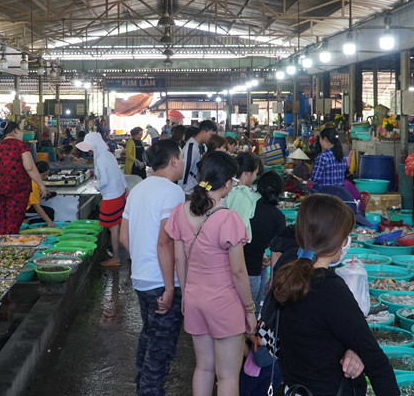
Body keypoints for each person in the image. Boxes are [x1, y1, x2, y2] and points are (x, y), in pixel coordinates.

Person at [270, 194, 398, 396]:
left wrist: (353, 350)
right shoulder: (331, 290)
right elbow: (376, 362)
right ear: (338, 239)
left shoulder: (287, 275)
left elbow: (317, 335)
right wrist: (360, 351)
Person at [165, 151, 253, 396]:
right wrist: (249, 309)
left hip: (194, 299)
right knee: (227, 377)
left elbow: (179, 260)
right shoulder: (229, 219)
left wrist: (186, 295)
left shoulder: (181, 211)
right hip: (224, 303)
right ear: (226, 183)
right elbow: (237, 272)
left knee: (203, 369)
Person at [119, 139, 187, 396]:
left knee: (149, 337)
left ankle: (141, 387)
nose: (182, 162)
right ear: (172, 161)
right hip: (161, 281)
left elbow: (124, 238)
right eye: (180, 157)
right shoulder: (173, 192)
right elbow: (165, 241)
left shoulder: (138, 189)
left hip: (141, 279)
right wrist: (170, 287)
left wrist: (142, 264)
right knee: (161, 351)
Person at [77, 132, 128, 267]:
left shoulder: (100, 159)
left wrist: (96, 185)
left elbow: (104, 181)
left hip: (111, 197)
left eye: (90, 146)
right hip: (119, 193)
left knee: (113, 228)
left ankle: (116, 258)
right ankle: (130, 254)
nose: (89, 149)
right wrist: (126, 189)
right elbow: (119, 173)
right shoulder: (108, 155)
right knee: (119, 227)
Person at [0, 121, 50, 234]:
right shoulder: (21, 146)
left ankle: (0, 245)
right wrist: (41, 185)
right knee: (14, 222)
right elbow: (30, 168)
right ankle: (9, 247)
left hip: (0, 189)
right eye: (21, 131)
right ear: (16, 130)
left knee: (4, 220)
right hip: (17, 189)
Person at [244, 171, 286, 307]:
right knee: (252, 312)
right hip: (252, 272)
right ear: (279, 192)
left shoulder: (247, 206)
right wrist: (272, 281)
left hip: (233, 268)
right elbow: (277, 252)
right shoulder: (277, 216)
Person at [225, 153, 261, 243]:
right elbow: (239, 232)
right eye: (255, 173)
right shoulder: (242, 195)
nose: (255, 177)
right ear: (247, 173)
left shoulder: (228, 187)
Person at [180, 119, 219, 196]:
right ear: (203, 132)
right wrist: (181, 189)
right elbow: (185, 169)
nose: (212, 139)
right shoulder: (191, 147)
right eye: (211, 135)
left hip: (196, 188)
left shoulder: (203, 146)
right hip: (188, 190)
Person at [307, 127, 347, 191]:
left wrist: (307, 184)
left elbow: (315, 179)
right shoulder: (342, 156)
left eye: (320, 139)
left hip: (325, 196)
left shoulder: (323, 156)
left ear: (325, 139)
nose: (319, 142)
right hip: (340, 195)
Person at [25, 161, 56, 227]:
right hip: (25, 209)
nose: (46, 177)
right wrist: (49, 221)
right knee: (49, 214)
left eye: (47, 174)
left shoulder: (31, 179)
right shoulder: (34, 185)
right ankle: (26, 221)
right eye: (43, 175)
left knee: (49, 212)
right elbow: (36, 206)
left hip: (25, 206)